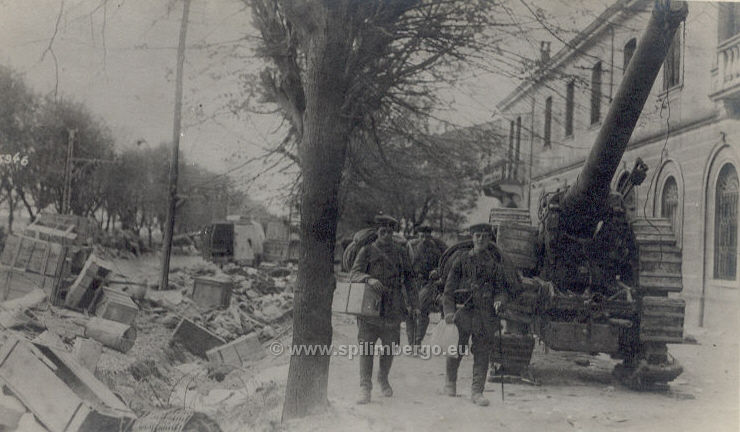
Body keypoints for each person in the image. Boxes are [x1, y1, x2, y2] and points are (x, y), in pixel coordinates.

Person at [442, 223, 518, 407]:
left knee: (482, 353)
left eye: (484, 236)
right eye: (477, 235)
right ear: (472, 237)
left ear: (489, 239)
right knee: (457, 349)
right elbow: (448, 290)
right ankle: (450, 383)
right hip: (464, 312)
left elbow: (501, 290)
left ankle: (477, 392)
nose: (481, 239)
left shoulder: (495, 265)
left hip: (486, 314)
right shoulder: (461, 260)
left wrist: (500, 300)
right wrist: (449, 312)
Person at [351, 214, 418, 404]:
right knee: (366, 347)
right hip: (370, 306)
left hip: (393, 306)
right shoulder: (366, 251)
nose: (386, 235)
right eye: (383, 231)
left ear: (393, 233)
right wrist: (368, 279)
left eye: (390, 231)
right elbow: (353, 273)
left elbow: (410, 280)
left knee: (390, 347)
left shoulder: (401, 252)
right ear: (377, 232)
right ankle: (365, 387)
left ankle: (383, 378)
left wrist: (415, 304)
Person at [406, 225, 446, 347]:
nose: (424, 239)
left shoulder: (437, 248)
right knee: (410, 312)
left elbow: (444, 263)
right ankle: (411, 343)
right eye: (422, 236)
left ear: (430, 236)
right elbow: (404, 262)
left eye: (427, 236)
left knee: (422, 310)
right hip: (412, 282)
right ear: (418, 235)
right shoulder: (411, 247)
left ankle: (418, 341)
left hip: (428, 283)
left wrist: (437, 271)